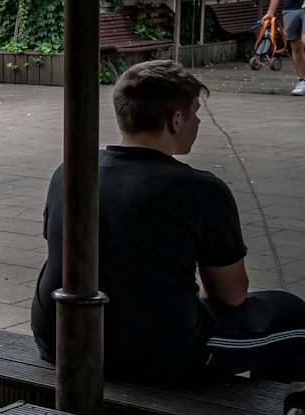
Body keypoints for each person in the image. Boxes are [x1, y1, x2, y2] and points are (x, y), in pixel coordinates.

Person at [33, 60, 305, 383]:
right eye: (195, 112)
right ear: (175, 121)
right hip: (158, 352)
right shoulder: (201, 189)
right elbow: (231, 295)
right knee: (293, 316)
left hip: (59, 338)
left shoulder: (70, 171)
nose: (199, 121)